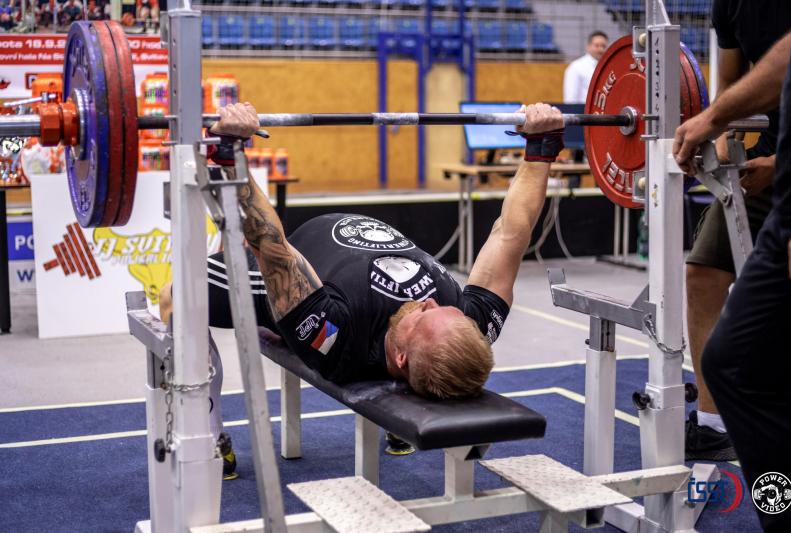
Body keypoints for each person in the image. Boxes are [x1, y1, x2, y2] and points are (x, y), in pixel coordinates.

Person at [160, 102, 565, 470]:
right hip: (352, 251)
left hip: (296, 274)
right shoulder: (472, 324)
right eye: (446, 308)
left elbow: (271, 244)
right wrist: (541, 149)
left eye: (426, 315)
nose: (428, 301)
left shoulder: (339, 336)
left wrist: (230, 153)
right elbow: (511, 234)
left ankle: (209, 438)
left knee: (175, 299)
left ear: (401, 358)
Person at [673, 25, 791, 532]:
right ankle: (714, 430)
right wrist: (719, 139)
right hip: (774, 175)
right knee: (733, 367)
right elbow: (741, 77)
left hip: (787, 174)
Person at [562, 31, 608, 105]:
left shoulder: (608, 67)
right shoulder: (576, 67)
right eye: (597, 45)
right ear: (588, 46)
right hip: (582, 110)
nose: (600, 49)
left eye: (603, 46)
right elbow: (570, 100)